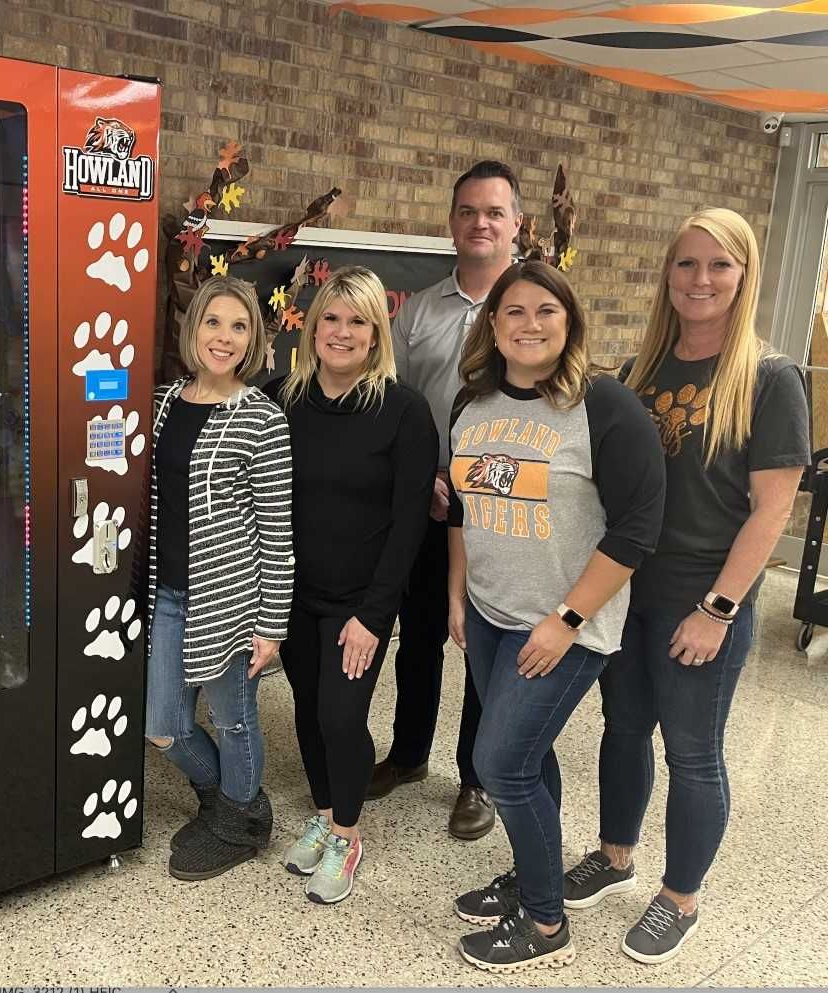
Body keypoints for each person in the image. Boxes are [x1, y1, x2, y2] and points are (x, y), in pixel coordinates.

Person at [561, 208, 810, 963]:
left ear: (744, 276)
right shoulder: (640, 372)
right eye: (687, 264)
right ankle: (614, 854)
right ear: (667, 275)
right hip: (630, 589)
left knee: (694, 753)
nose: (701, 280)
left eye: (720, 266)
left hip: (703, 596)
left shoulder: (771, 378)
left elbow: (771, 510)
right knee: (623, 728)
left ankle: (680, 897)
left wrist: (719, 610)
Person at [447, 261, 665, 973]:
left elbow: (636, 528)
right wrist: (458, 592)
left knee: (500, 763)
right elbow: (461, 508)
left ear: (569, 322)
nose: (530, 323)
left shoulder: (602, 405)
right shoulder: (471, 402)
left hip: (566, 624)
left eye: (547, 310)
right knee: (529, 756)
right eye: (514, 310)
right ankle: (530, 871)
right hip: (489, 614)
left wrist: (565, 619)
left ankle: (544, 922)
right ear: (493, 323)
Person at [265, 267, 436, 904]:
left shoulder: (403, 411)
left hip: (359, 603)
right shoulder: (280, 398)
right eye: (330, 319)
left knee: (342, 714)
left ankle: (346, 832)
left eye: (357, 321)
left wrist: (373, 614)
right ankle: (324, 810)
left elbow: (408, 525)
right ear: (312, 329)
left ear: (376, 333)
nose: (341, 332)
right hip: (290, 594)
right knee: (308, 711)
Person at [373, 160, 524, 841]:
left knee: (488, 646)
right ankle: (407, 754)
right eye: (468, 210)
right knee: (422, 636)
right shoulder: (421, 312)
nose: (480, 222)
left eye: (494, 211)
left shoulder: (532, 308)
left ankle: (476, 776)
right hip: (429, 505)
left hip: (500, 514)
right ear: (452, 222)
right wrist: (422, 478)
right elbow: (398, 408)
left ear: (517, 223)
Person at [144, 275, 294, 881]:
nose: (224, 338)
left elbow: (278, 533)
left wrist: (271, 627)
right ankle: (231, 800)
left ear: (253, 338)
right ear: (194, 328)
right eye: (214, 322)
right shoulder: (161, 403)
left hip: (232, 599)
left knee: (233, 719)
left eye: (239, 327)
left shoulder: (263, 419)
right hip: (167, 594)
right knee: (163, 727)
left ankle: (238, 824)